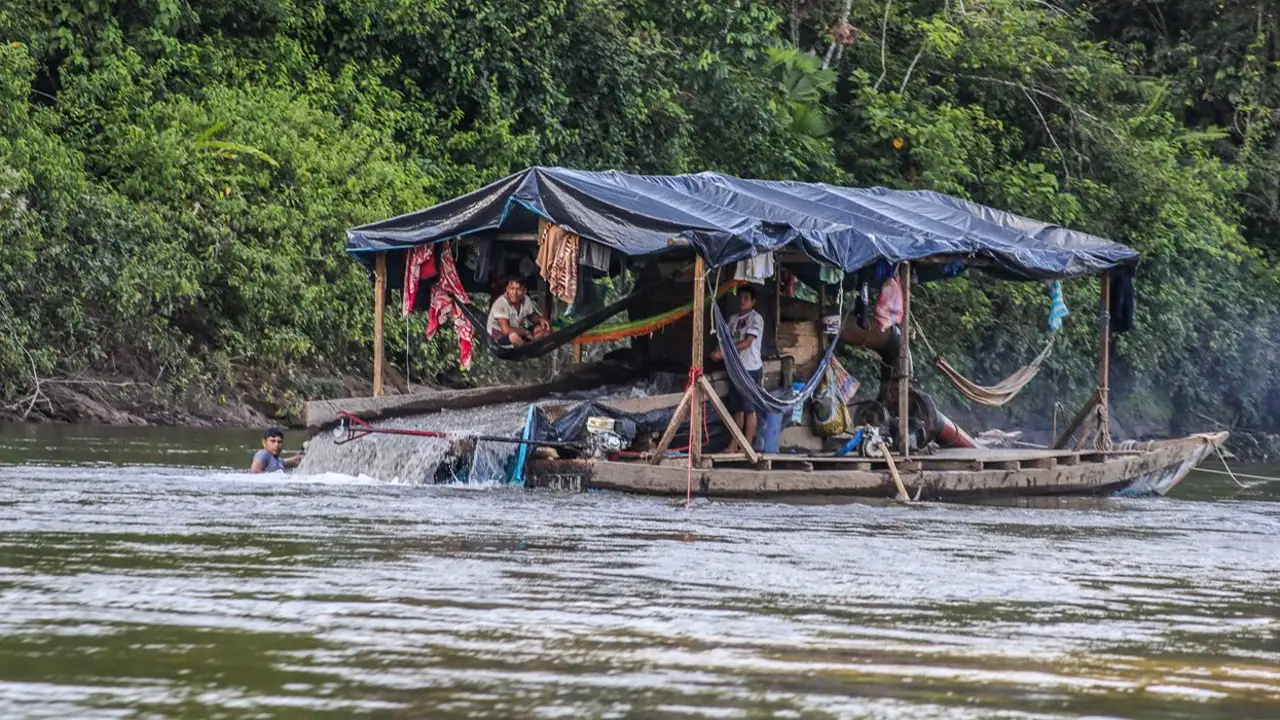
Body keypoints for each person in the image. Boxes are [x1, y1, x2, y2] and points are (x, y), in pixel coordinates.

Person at [710, 285, 765, 453]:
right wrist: (717, 351)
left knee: (749, 409)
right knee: (737, 410)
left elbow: (747, 342)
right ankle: (734, 444)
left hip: (750, 369)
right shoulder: (732, 320)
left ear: (753, 301)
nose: (742, 301)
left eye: (746, 298)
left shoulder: (755, 319)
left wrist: (724, 352)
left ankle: (746, 447)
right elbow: (724, 340)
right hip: (735, 370)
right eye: (740, 297)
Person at [486, 277, 551, 346]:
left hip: (516, 330)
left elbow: (530, 315)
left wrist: (541, 319)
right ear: (507, 289)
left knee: (544, 330)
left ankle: (529, 345)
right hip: (499, 334)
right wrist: (526, 332)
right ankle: (527, 347)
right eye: (512, 288)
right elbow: (506, 330)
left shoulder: (526, 300)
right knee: (514, 337)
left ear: (524, 291)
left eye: (518, 289)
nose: (514, 293)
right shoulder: (500, 304)